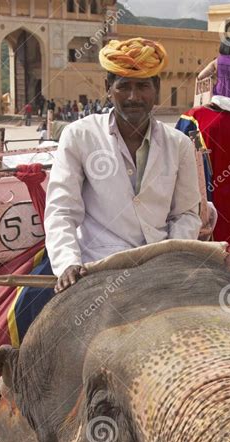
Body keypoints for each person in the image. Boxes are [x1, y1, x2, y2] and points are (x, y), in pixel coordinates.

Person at [44, 37, 202, 293]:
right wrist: (67, 264)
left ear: (157, 89)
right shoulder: (80, 135)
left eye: (142, 86)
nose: (133, 97)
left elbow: (185, 214)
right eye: (124, 86)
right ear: (108, 88)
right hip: (97, 266)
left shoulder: (179, 144)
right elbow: (62, 210)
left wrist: (172, 259)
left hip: (159, 264)